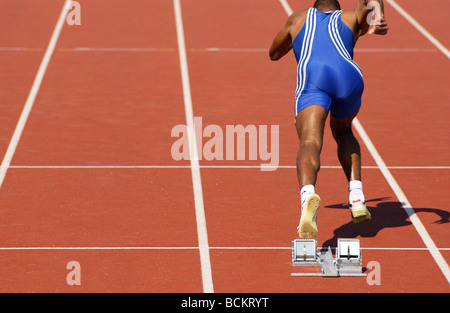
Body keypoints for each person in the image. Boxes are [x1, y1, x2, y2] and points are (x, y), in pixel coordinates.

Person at [269, 0, 388, 239]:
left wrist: (294, 42)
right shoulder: (351, 17)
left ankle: (307, 199)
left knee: (310, 142)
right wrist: (379, 17)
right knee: (344, 132)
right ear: (336, 9)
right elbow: (370, 1)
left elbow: (273, 53)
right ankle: (356, 197)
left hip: (315, 77)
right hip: (348, 76)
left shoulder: (298, 18)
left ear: (315, 7)